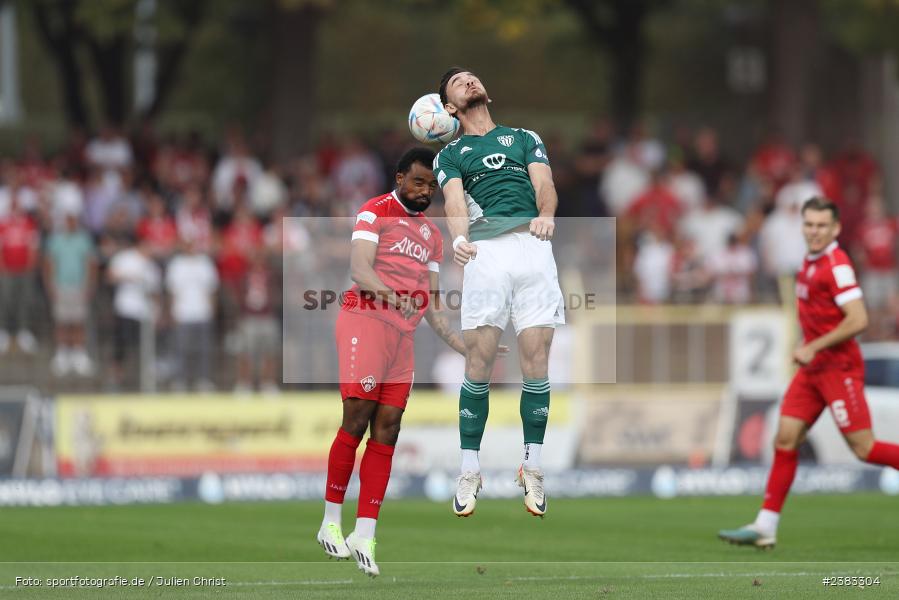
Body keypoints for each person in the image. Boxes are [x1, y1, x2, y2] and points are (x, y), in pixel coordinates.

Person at [316, 148, 466, 577]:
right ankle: (330, 523)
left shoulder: (433, 237)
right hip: (365, 319)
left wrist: (461, 344)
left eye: (430, 186)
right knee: (358, 415)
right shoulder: (373, 212)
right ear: (400, 178)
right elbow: (360, 271)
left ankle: (364, 533)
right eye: (417, 182)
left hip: (403, 334)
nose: (424, 192)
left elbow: (434, 304)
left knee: (390, 427)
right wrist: (395, 297)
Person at [718, 198, 899, 548]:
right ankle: (765, 525)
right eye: (809, 224)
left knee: (864, 448)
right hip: (812, 370)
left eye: (821, 226)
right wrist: (808, 343)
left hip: (838, 368)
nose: (814, 231)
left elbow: (858, 319)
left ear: (835, 229)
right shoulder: (809, 262)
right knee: (785, 439)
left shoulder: (837, 266)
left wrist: (814, 345)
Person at [433, 67, 564, 518]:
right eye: (458, 82)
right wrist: (458, 238)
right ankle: (470, 467)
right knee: (479, 361)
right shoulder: (451, 153)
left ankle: (533, 466)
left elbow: (544, 185)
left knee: (536, 360)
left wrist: (546, 213)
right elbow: (453, 200)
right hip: (485, 252)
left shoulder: (524, 136)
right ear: (449, 107)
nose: (470, 82)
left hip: (533, 247)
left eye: (472, 76)